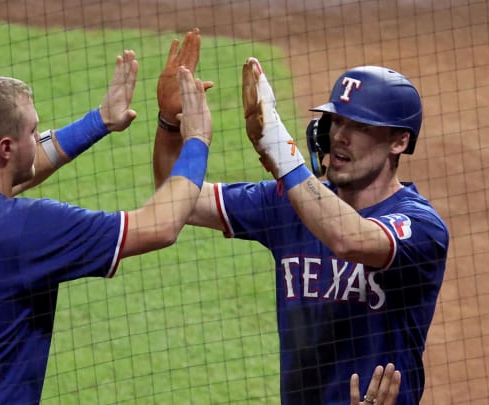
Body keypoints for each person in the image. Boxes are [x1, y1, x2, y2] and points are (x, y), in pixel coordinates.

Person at [0, 50, 214, 404]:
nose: (38, 136)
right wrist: (196, 141)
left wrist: (100, 120)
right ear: (6, 148)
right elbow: (160, 225)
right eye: (33, 130)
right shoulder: (24, 230)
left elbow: (15, 173)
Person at [153, 29, 449, 404]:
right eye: (338, 121)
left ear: (399, 141)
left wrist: (279, 147)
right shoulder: (288, 203)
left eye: (360, 127)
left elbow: (351, 238)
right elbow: (177, 198)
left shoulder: (419, 226)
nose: (341, 136)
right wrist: (169, 123)